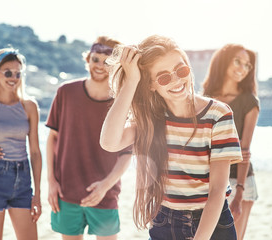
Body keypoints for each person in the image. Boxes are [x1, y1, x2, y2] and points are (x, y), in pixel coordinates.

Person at [100, 35, 243, 239]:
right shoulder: (151, 119)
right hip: (164, 222)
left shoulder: (218, 115)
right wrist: (131, 81)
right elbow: (109, 142)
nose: (176, 80)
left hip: (213, 222)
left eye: (181, 70)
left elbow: (218, 190)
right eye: (164, 77)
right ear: (150, 85)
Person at [45, 36, 132, 240]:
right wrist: (51, 181)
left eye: (107, 61)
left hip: (105, 193)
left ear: (117, 66)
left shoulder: (123, 102)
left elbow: (127, 153)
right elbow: (52, 139)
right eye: (95, 59)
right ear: (87, 60)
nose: (100, 66)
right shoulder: (65, 92)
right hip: (66, 192)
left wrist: (105, 185)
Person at [0, 48, 42, 239]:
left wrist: (37, 193)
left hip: (23, 180)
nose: (13, 77)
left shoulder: (29, 106)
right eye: (8, 72)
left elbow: (36, 152)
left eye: (18, 73)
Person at [202, 44, 259, 240]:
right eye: (238, 61)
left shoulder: (249, 101)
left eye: (247, 65)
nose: (242, 68)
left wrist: (239, 192)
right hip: (208, 180)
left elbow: (244, 150)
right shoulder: (205, 98)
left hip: (239, 182)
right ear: (223, 61)